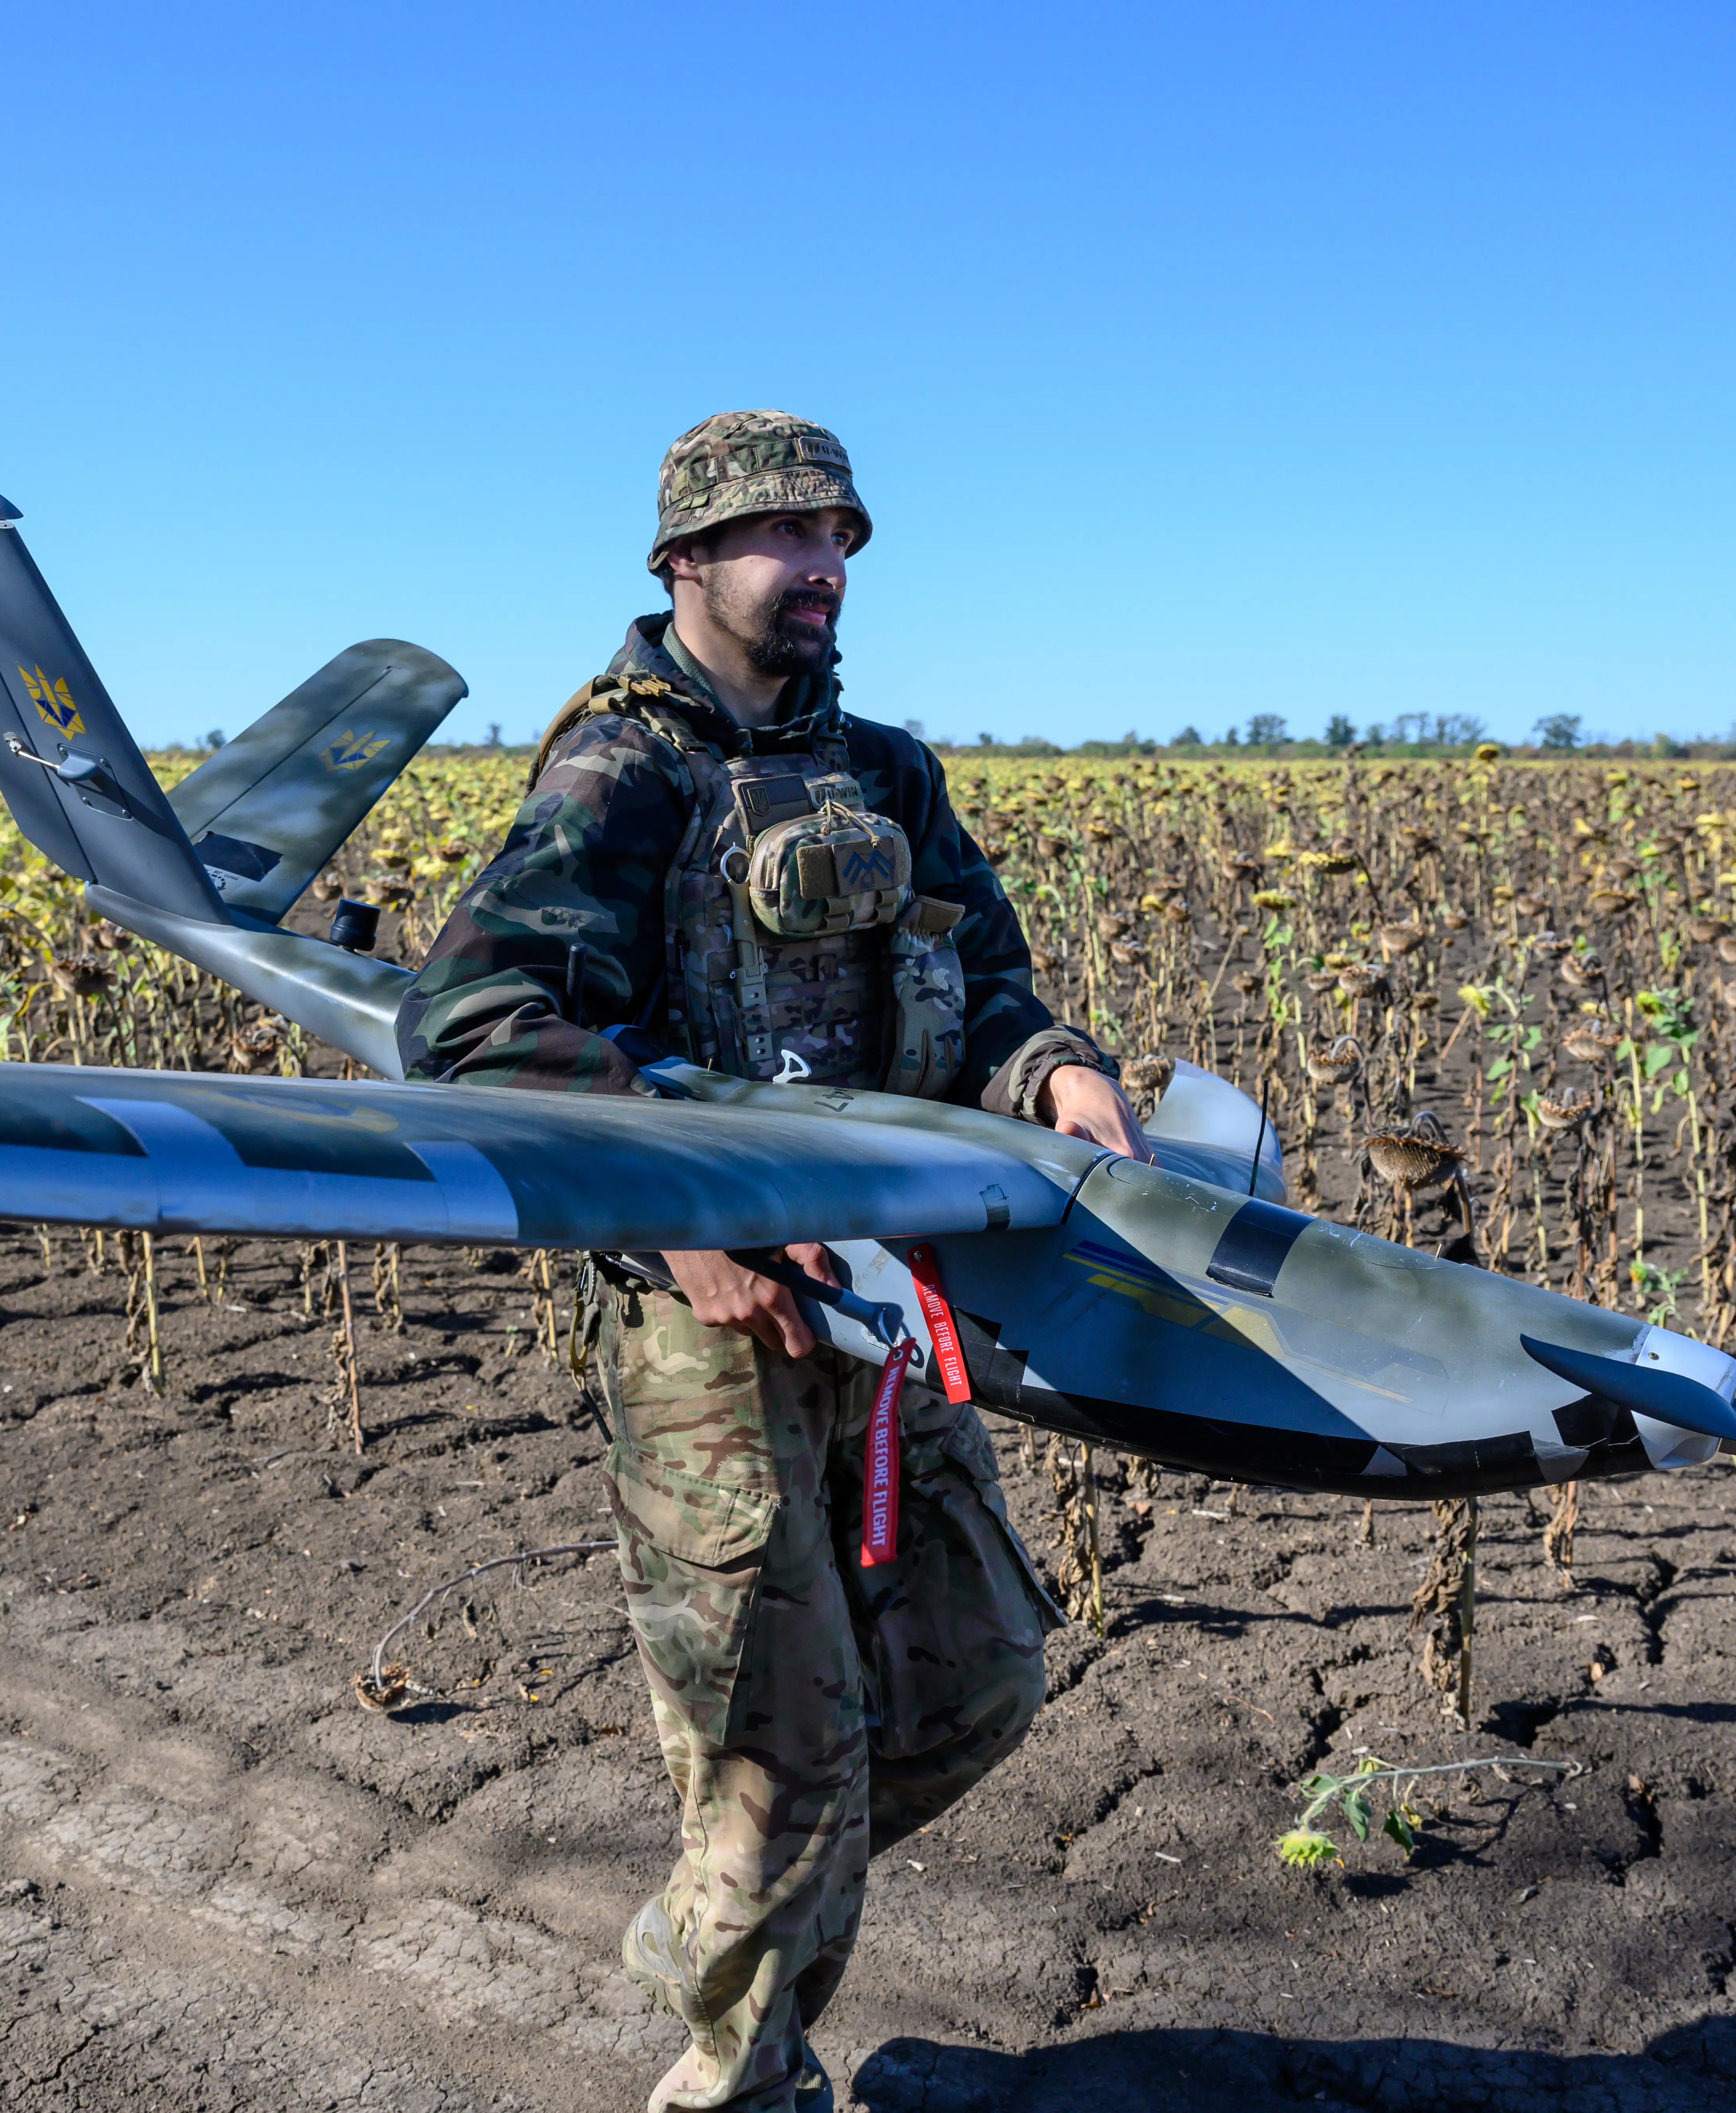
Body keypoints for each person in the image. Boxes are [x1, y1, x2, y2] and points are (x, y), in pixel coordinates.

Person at [397, 411, 1149, 2113]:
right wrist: (682, 1217)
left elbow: (990, 990)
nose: (815, 566)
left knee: (974, 1680)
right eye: (776, 535)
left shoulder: (884, 774)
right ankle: (736, 2078)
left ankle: (726, 1926)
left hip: (883, 1309)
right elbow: (470, 1028)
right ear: (682, 562)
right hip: (706, 1331)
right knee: (778, 1751)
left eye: (834, 535)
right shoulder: (619, 774)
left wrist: (1055, 1069)